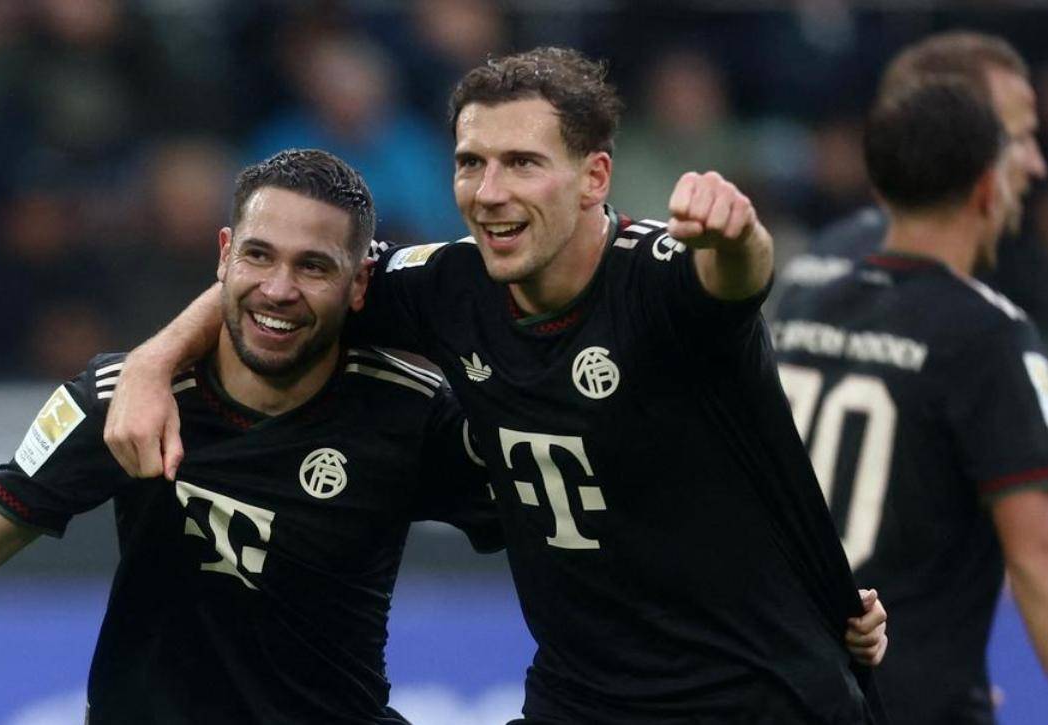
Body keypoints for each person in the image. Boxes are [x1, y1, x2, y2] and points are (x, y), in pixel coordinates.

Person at [103, 48, 888, 722]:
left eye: (521, 163)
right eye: (470, 162)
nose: (487, 191)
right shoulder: (448, 286)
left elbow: (733, 278)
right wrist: (149, 365)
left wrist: (737, 233)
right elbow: (289, 281)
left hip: (747, 692)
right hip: (582, 697)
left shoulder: (658, 280)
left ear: (593, 177)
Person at [0, 149, 506, 724]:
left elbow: (540, 527)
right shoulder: (121, 399)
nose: (278, 288)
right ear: (223, 254)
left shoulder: (407, 411)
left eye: (313, 266)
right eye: (259, 255)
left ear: (360, 281)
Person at [774, 78, 1048, 723]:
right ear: (987, 188)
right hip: (915, 694)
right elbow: (1035, 560)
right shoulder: (987, 333)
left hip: (787, 684)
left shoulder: (803, 298)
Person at [777, 31, 1047, 331]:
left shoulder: (822, 256)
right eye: (1020, 139)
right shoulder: (979, 321)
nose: (1037, 165)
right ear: (952, 139)